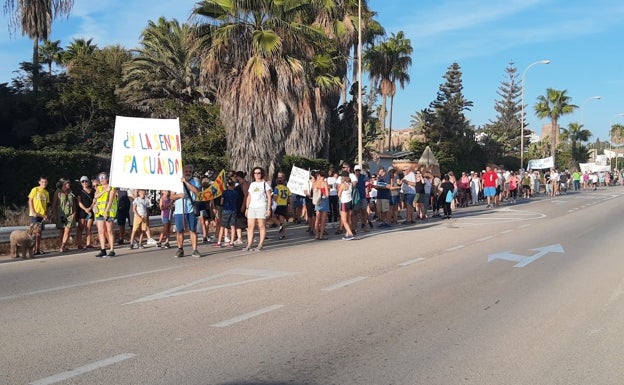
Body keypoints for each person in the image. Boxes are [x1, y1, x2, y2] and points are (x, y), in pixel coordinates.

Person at [171, 164, 202, 258]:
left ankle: (195, 249)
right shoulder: (176, 183)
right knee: (180, 230)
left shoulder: (194, 181)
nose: (188, 173)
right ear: (182, 172)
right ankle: (180, 249)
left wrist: (186, 183)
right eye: (186, 172)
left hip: (191, 210)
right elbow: (172, 196)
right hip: (179, 211)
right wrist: (179, 196)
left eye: (190, 172)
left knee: (192, 229)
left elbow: (197, 192)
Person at [244, 166, 273, 251]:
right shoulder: (252, 184)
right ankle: (249, 244)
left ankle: (260, 244)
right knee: (250, 226)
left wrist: (268, 209)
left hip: (261, 206)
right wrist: (247, 208)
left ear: (262, 174)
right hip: (252, 207)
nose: (257, 175)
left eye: (258, 173)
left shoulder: (265, 184)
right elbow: (249, 196)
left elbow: (269, 196)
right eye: (255, 173)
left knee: (261, 225)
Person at [93, 172, 118, 257]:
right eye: (101, 178)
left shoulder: (112, 188)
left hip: (108, 212)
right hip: (99, 212)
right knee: (101, 231)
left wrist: (106, 211)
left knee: (109, 231)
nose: (102, 180)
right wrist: (104, 190)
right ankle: (103, 249)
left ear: (107, 178)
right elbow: (96, 196)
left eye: (104, 177)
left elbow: (110, 200)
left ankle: (112, 249)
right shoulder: (99, 188)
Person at [51, 178, 76, 252]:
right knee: (62, 230)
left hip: (70, 214)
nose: (69, 184)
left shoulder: (71, 192)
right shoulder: (58, 192)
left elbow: (74, 204)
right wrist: (54, 214)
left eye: (69, 183)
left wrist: (74, 213)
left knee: (67, 230)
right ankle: (63, 245)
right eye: (67, 183)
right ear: (63, 184)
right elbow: (54, 204)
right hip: (61, 214)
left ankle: (63, 246)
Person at [28, 176, 50, 255]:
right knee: (35, 232)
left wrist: (46, 214)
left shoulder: (46, 193)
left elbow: (46, 205)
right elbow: (30, 200)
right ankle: (32, 249)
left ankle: (37, 249)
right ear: (39, 182)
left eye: (45, 182)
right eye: (42, 182)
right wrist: (33, 211)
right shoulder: (35, 189)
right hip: (35, 214)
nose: (44, 183)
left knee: (40, 233)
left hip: (42, 215)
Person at [214, 181, 238, 248]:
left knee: (222, 226)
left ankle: (219, 242)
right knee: (233, 226)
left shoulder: (224, 192)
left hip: (226, 210)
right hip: (233, 209)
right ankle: (232, 242)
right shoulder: (236, 193)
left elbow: (221, 202)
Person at [76, 176, 95, 249]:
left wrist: (90, 208)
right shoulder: (79, 191)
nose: (84, 183)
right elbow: (79, 202)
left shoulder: (92, 191)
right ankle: (79, 244)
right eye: (82, 182)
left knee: (89, 227)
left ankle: (88, 243)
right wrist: (85, 209)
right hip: (82, 211)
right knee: (81, 227)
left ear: (88, 182)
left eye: (86, 181)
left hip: (90, 211)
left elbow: (94, 200)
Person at [312, 170, 330, 240]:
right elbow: (327, 195)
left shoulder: (315, 183)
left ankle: (316, 234)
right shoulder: (324, 183)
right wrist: (327, 189)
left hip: (317, 201)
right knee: (323, 220)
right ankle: (321, 235)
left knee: (317, 218)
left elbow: (313, 192)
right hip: (324, 201)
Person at [337, 171, 355, 240]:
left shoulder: (342, 185)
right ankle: (347, 233)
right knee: (348, 219)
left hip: (344, 202)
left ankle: (350, 234)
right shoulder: (350, 184)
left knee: (344, 220)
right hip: (350, 202)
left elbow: (339, 194)